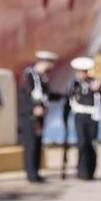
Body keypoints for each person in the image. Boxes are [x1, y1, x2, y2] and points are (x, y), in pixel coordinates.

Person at [17, 51, 58, 183]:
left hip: (39, 117)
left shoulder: (42, 78)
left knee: (37, 144)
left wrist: (63, 96)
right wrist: (33, 108)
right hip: (29, 116)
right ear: (44, 62)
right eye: (50, 64)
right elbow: (24, 95)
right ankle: (31, 174)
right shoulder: (29, 76)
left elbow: (46, 95)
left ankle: (36, 172)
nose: (52, 67)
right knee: (30, 145)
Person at [67, 56, 101, 180]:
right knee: (81, 143)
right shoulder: (75, 84)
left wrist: (99, 90)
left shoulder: (96, 83)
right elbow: (69, 99)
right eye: (79, 72)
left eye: (83, 72)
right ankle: (81, 170)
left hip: (92, 117)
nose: (80, 75)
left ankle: (91, 171)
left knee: (92, 143)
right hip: (80, 116)